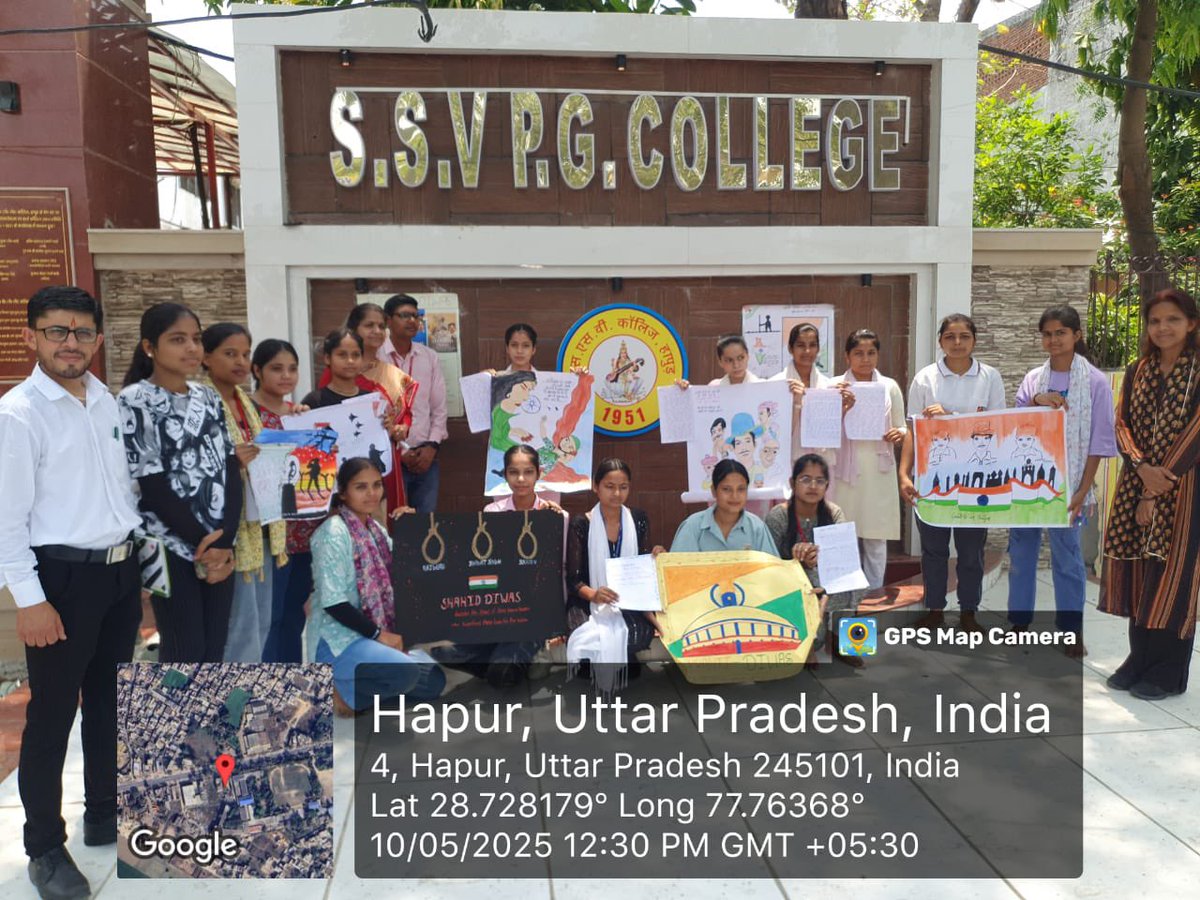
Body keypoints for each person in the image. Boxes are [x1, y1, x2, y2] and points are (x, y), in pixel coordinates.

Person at [0, 287, 142, 899]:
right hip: (59, 582)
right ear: (31, 336)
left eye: (83, 332)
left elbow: (120, 493)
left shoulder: (105, 401)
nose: (71, 343)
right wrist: (29, 600)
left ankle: (106, 811)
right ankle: (44, 847)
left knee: (110, 701)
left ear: (99, 339)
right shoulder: (18, 414)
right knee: (52, 715)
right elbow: (7, 519)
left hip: (117, 573)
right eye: (57, 331)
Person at [118, 302, 241, 663]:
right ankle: (179, 721)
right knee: (184, 649)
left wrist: (226, 539)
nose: (191, 348)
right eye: (177, 339)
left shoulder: (207, 396)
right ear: (149, 347)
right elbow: (151, 484)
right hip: (167, 544)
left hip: (219, 542)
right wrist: (206, 543)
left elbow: (230, 466)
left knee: (214, 650)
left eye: (196, 339)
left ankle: (207, 721)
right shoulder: (134, 400)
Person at [1100, 287, 1200, 699]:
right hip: (1136, 484)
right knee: (1138, 568)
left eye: (1173, 319)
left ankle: (1168, 670)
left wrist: (1162, 479)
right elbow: (1121, 424)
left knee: (1175, 576)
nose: (1163, 328)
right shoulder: (1138, 369)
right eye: (1155, 320)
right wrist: (1142, 470)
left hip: (1186, 489)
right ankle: (1138, 658)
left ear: (1191, 324)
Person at [1008, 306, 1116, 657]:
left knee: (1068, 559)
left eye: (1061, 333)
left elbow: (1100, 441)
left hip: (1069, 489)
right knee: (1022, 554)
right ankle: (1019, 623)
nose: (1053, 340)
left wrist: (1083, 490)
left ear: (1076, 335)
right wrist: (1038, 400)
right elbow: (1017, 423)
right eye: (1047, 334)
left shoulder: (1096, 382)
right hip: (1028, 485)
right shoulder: (1032, 380)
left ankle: (1071, 631)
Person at [310, 458, 445, 710]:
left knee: (433, 682)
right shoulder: (333, 533)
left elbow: (407, 570)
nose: (371, 494)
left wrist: (411, 529)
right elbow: (333, 603)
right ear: (343, 493)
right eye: (361, 487)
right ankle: (336, 694)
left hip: (371, 634)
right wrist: (379, 635)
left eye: (376, 485)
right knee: (406, 674)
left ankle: (366, 683)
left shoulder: (374, 529)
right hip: (339, 639)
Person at [900, 313, 1006, 632]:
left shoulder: (989, 377)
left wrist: (951, 417)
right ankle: (934, 609)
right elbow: (912, 430)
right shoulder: (925, 378)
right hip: (933, 480)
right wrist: (903, 474)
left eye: (964, 336)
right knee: (934, 550)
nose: (957, 343)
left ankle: (969, 612)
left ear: (974, 340)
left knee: (971, 551)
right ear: (940, 341)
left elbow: (997, 428)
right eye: (950, 337)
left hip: (976, 480)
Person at [430, 445, 563, 687]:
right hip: (500, 607)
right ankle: (515, 656)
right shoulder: (491, 513)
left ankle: (520, 654)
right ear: (504, 475)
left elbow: (557, 570)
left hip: (533, 613)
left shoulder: (554, 515)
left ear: (539, 473)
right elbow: (484, 567)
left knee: (502, 676)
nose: (521, 479)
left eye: (528, 472)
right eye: (513, 472)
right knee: (443, 651)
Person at [201, 323, 288, 664]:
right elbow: (194, 467)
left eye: (245, 354)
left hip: (260, 522)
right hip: (229, 531)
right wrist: (230, 460)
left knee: (262, 623)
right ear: (206, 357)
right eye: (229, 353)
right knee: (240, 627)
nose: (240, 361)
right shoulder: (201, 403)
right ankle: (232, 708)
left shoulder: (244, 403)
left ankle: (248, 700)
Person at [565, 459, 665, 690]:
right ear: (595, 487)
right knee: (583, 631)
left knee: (640, 633)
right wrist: (594, 595)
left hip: (627, 600)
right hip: (589, 600)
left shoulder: (637, 519)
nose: (617, 493)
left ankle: (611, 661)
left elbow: (641, 563)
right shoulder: (582, 523)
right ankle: (603, 663)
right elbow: (573, 579)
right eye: (609, 486)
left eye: (624, 487)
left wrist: (655, 556)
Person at [765, 454, 866, 667]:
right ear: (792, 483)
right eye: (805, 479)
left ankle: (846, 644)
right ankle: (809, 642)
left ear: (827, 485)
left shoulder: (833, 512)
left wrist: (821, 572)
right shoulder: (779, 516)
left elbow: (843, 557)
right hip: (791, 582)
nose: (813, 486)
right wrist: (795, 560)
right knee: (816, 633)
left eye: (820, 481)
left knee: (852, 579)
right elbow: (769, 564)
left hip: (825, 579)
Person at [250, 338, 310, 663]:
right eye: (276, 368)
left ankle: (290, 690)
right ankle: (265, 692)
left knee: (292, 618)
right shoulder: (247, 414)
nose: (286, 376)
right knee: (267, 619)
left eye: (292, 368)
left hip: (302, 533)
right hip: (266, 534)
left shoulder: (300, 415)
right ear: (257, 370)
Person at [834, 330, 907, 591]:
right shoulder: (835, 386)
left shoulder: (889, 386)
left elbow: (902, 426)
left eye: (871, 353)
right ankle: (846, 592)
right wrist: (840, 406)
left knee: (876, 536)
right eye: (858, 353)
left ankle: (873, 590)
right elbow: (821, 429)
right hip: (844, 471)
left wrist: (899, 433)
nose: (865, 359)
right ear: (847, 356)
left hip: (879, 469)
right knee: (845, 534)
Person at [336, 303, 415, 511]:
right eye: (369, 325)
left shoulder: (391, 373)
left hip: (386, 459)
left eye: (381, 326)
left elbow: (406, 415)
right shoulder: (341, 372)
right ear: (354, 330)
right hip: (348, 460)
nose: (377, 331)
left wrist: (401, 429)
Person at [380, 294, 447, 512]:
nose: (412, 321)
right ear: (388, 320)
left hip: (426, 459)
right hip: (388, 459)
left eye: (415, 316)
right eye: (404, 315)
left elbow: (439, 409)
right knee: (391, 523)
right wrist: (400, 452)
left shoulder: (428, 357)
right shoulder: (377, 358)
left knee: (425, 528)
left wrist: (432, 447)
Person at [769, 323, 854, 474]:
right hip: (787, 462)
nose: (807, 351)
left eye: (812, 345)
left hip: (821, 462)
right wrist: (795, 403)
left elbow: (828, 430)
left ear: (818, 349)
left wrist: (843, 409)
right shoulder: (776, 384)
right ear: (790, 348)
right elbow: (771, 429)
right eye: (801, 345)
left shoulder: (828, 386)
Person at [671, 459, 778, 554]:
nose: (734, 496)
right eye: (726, 489)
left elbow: (771, 570)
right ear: (714, 491)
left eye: (741, 489)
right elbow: (677, 568)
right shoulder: (693, 526)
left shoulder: (757, 528)